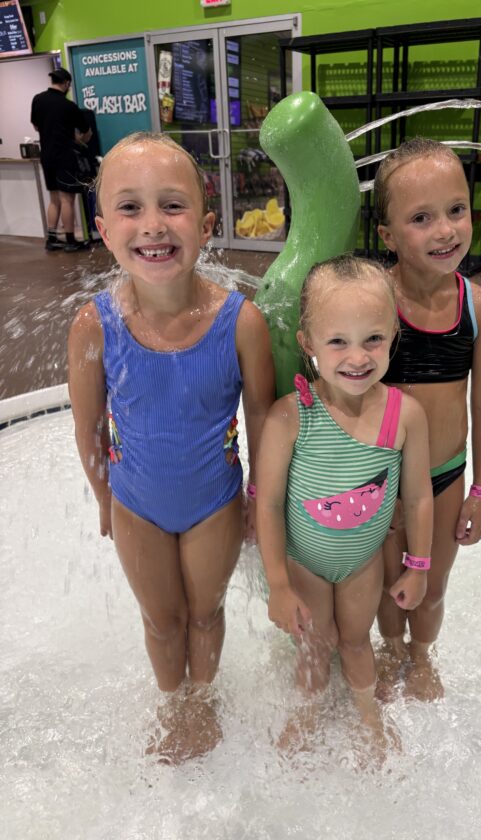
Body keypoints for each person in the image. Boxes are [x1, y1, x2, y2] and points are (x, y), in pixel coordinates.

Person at [67, 131, 275, 763]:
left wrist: (258, 500)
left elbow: (262, 420)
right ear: (104, 231)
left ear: (207, 226)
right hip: (137, 503)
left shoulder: (241, 321)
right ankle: (172, 704)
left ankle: (201, 704)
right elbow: (88, 428)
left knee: (205, 613)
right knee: (161, 620)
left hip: (214, 502)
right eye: (130, 207)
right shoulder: (94, 325)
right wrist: (104, 497)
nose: (153, 225)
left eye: (173, 205)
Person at [256, 255, 433, 755]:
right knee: (316, 644)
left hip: (362, 564)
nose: (358, 357)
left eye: (372, 338)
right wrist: (278, 584)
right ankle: (306, 714)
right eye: (338, 341)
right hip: (305, 564)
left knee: (356, 640)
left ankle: (368, 714)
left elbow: (419, 496)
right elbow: (268, 504)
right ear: (308, 343)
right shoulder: (291, 416)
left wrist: (418, 566)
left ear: (394, 334)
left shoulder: (405, 416)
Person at [374, 137, 481, 701]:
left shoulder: (480, 308)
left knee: (432, 580)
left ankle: (421, 653)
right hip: (380, 477)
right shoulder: (374, 299)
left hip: (445, 475)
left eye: (455, 210)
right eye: (421, 218)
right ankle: (390, 648)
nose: (445, 231)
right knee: (387, 581)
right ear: (388, 236)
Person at [30, 67, 92, 252]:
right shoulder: (68, 106)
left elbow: (36, 126)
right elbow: (86, 131)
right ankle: (71, 241)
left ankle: (52, 239)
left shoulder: (38, 99)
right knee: (67, 199)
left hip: (46, 155)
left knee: (54, 198)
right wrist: (79, 140)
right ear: (66, 84)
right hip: (64, 155)